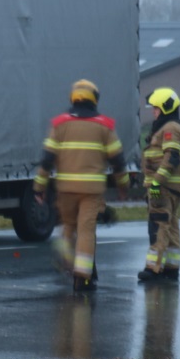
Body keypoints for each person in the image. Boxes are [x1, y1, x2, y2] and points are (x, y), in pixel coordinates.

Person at [33, 79, 130, 292]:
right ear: (94, 99)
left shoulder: (59, 124)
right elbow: (118, 160)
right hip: (91, 192)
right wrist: (123, 185)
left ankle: (64, 251)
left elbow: (47, 159)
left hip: (65, 189)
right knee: (86, 231)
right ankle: (82, 277)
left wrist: (39, 188)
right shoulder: (105, 125)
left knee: (68, 226)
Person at [138, 87, 180, 282]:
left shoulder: (170, 129)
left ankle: (153, 269)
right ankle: (171, 267)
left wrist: (156, 183)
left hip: (162, 188)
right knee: (171, 226)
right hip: (171, 188)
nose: (153, 112)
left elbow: (171, 157)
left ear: (166, 108)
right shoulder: (172, 127)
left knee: (158, 225)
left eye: (156, 108)